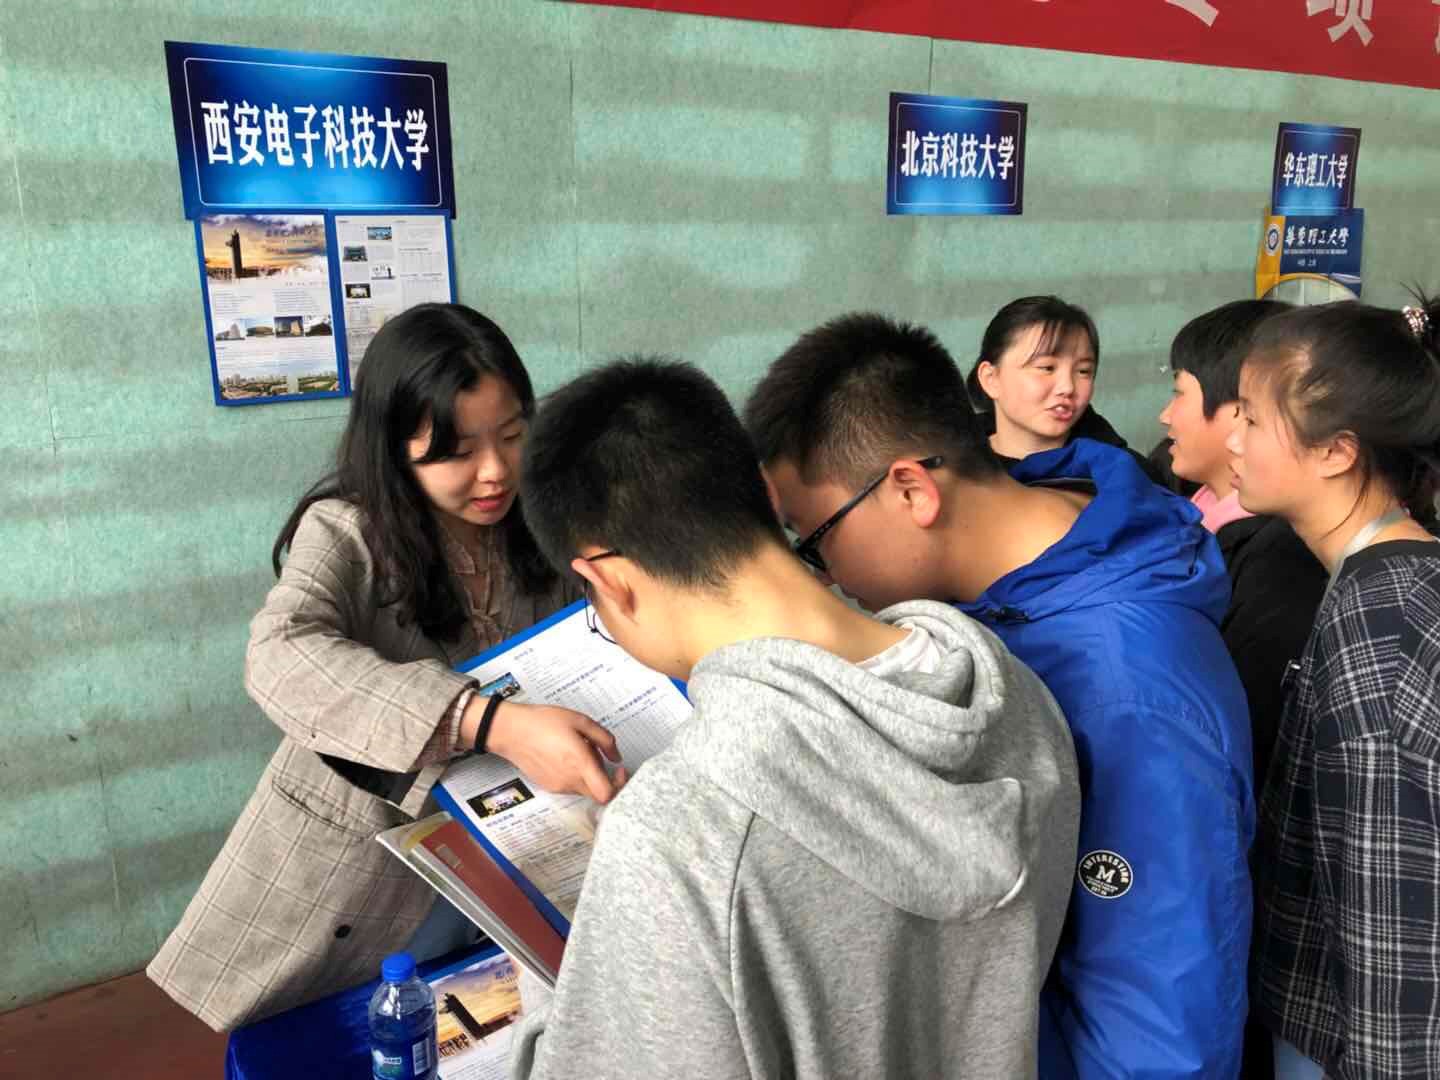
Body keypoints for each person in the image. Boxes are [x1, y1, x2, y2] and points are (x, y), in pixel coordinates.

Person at [510, 358, 1081, 1079]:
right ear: (765, 489)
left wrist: (550, 985)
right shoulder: (1013, 694)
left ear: (606, 579)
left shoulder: (680, 832)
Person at [747, 312, 1255, 1078]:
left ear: (912, 490)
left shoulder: (1131, 688)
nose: (827, 573)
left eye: (816, 538)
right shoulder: (1008, 593)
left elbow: (1158, 1024)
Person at [148, 304, 623, 1032]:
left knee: (494, 1025)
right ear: (395, 445)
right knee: (359, 1036)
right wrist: (484, 720)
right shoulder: (347, 531)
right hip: (363, 870)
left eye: (512, 435)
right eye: (457, 451)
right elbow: (279, 652)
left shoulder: (539, 521)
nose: (495, 472)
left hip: (508, 846)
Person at [1232, 297, 1440, 1080]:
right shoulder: (1399, 577)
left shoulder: (1378, 625)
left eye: (1252, 418)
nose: (1233, 438)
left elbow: (1394, 928)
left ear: (1335, 451)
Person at [1159, 299, 1326, 789]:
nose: (1166, 415)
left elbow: (1247, 724)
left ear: (1240, 408)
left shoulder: (1282, 556)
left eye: (1178, 392)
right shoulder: (1183, 500)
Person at [967, 295, 1162, 482]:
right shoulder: (954, 471)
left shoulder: (1130, 476)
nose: (1067, 387)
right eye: (1047, 368)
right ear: (991, 379)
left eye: (1083, 371)